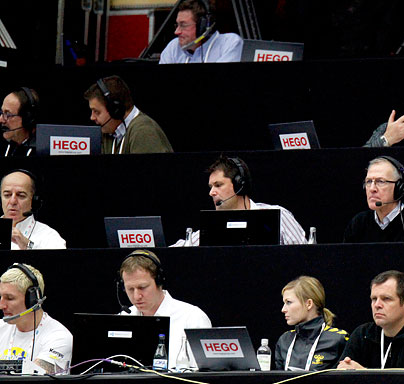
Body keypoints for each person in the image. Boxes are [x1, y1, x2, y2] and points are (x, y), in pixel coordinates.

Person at [171, 155, 306, 246]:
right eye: (211, 187)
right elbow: (177, 250)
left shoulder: (279, 215)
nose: (211, 192)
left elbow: (306, 255)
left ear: (239, 184)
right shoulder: (212, 228)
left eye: (218, 185)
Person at [118, 249, 211, 369]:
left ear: (159, 282)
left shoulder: (192, 318)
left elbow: (205, 375)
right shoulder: (123, 318)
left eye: (143, 287)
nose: (136, 296)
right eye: (130, 289)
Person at [338, 270, 404, 369]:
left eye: (386, 299)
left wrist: (363, 374)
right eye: (374, 299)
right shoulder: (363, 334)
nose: (377, 305)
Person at [0, 264, 72, 374]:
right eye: (1, 297)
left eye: (10, 298)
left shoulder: (59, 336)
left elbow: (37, 377)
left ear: (32, 300)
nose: (2, 306)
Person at [343, 156, 404, 243]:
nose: (372, 189)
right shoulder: (358, 223)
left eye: (380, 181)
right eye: (369, 181)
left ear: (399, 187)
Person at [84, 75, 173, 154]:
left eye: (97, 112)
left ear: (115, 110)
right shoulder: (109, 132)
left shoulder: (144, 132)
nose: (92, 117)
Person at [275, 276, 349, 371]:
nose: (283, 309)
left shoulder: (339, 339)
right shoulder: (284, 340)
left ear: (309, 304)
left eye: (288, 302)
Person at [160, 0, 243, 64]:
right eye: (177, 25)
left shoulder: (230, 43)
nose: (176, 32)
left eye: (183, 25)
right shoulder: (173, 47)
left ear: (202, 27)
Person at [1, 169, 66, 250]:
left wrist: (28, 246)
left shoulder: (49, 236)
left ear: (34, 201)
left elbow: (60, 262)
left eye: (21, 195)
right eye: (7, 195)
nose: (12, 201)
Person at [1, 88, 39, 158]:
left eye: (8, 114)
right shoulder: (5, 147)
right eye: (1, 113)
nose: (1, 120)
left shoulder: (41, 152)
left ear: (27, 119)